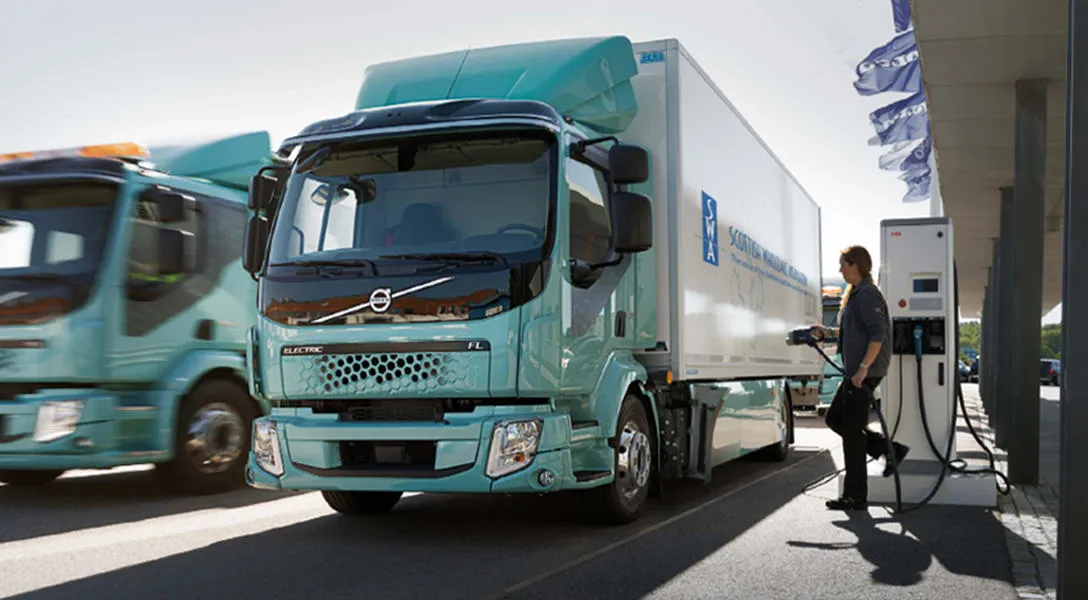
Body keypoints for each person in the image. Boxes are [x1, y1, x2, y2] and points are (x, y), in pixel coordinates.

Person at [811, 245, 909, 510]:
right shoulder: (855, 296)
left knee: (852, 433)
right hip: (856, 373)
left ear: (856, 265)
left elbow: (878, 335)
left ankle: (855, 495)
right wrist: (827, 333)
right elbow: (853, 333)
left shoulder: (868, 295)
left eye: (843, 264)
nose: (840, 270)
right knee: (835, 419)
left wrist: (864, 368)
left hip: (863, 374)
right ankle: (888, 450)